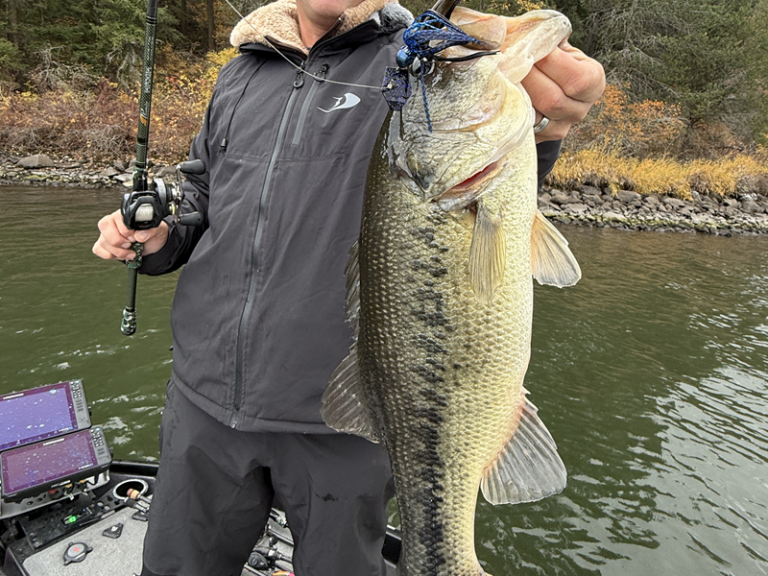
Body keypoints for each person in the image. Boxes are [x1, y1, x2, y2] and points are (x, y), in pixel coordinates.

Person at [93, 0, 605, 574]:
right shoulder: (239, 72)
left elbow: (477, 179)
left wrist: (542, 127)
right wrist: (162, 235)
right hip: (203, 400)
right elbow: (205, 191)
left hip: (343, 415)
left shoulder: (412, 65)